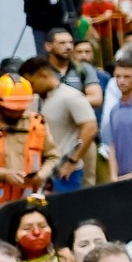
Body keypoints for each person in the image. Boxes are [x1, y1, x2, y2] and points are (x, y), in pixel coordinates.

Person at [20, 57, 96, 192]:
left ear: (43, 75)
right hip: (44, 172)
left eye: (31, 83)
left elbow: (90, 127)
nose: (31, 88)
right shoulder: (37, 100)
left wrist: (72, 161)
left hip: (66, 172)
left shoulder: (71, 96)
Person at [0, 74, 49, 206]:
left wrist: (42, 174)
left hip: (27, 202)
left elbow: (53, 157)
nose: (16, 113)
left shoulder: (37, 124)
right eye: (10, 110)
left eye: (20, 110)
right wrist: (2, 174)